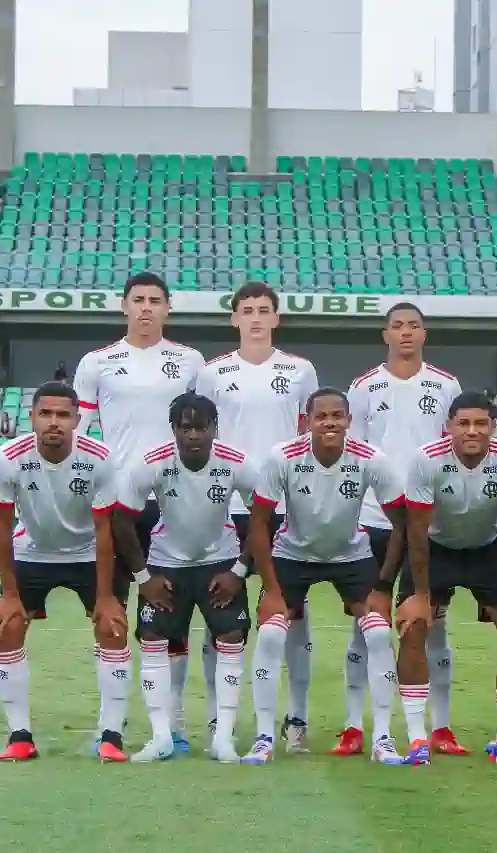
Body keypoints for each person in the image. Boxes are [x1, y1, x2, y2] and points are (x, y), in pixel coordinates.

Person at [73, 271, 206, 754]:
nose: (146, 307)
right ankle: (110, 724)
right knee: (110, 611)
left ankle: (173, 723)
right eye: (138, 300)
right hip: (117, 502)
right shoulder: (98, 363)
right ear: (123, 306)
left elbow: (204, 429)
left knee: (171, 614)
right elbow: (81, 434)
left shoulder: (190, 361)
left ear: (168, 308)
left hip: (174, 502)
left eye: (155, 300)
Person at [242, 388, 407, 765]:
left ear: (349, 420)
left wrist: (383, 585)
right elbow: (260, 522)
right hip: (292, 554)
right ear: (307, 421)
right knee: (270, 634)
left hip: (351, 555)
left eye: (338, 415)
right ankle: (267, 737)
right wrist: (269, 588)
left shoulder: (371, 458)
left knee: (379, 632)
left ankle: (382, 737)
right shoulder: (282, 457)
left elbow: (403, 524)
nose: (330, 422)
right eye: (321, 416)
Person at [193, 281, 318, 754]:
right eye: (247, 310)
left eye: (264, 310)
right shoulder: (213, 373)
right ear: (234, 319)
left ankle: (297, 719)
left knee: (292, 614)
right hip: (225, 508)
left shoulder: (300, 370)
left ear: (277, 317)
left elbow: (308, 434)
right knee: (216, 613)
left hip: (285, 507)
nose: (256, 318)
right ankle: (215, 719)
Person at [336, 302, 464, 757]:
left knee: (432, 624)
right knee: (366, 623)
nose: (405, 333)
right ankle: (353, 726)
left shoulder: (447, 386)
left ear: (424, 334)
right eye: (397, 326)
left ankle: (441, 727)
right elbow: (356, 451)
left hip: (429, 522)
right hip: (375, 517)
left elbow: (457, 449)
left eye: (413, 326)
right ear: (385, 335)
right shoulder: (364, 386)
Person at [0, 382, 131, 762]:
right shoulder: (8, 457)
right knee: (9, 629)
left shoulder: (99, 457)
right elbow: (1, 527)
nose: (54, 422)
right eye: (46, 414)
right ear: (32, 417)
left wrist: (104, 596)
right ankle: (19, 735)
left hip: (88, 553)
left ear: (77, 420)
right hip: (31, 552)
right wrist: (9, 594)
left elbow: (105, 530)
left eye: (63, 415)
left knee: (112, 628)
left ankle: (111, 734)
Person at [112, 393, 256, 763]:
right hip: (165, 566)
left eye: (201, 426)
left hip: (220, 564)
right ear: (174, 429)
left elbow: (264, 517)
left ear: (214, 429)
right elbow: (121, 520)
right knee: (155, 639)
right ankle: (161, 737)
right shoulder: (151, 464)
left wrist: (239, 571)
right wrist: (144, 578)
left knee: (230, 637)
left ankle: (223, 737)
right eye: (185, 427)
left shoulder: (237, 463)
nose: (193, 434)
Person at [397, 391, 497, 766]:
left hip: (486, 548)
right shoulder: (427, 459)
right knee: (413, 627)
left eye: (481, 424)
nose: (472, 431)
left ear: (494, 426)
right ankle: (416, 738)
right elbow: (416, 530)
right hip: (435, 548)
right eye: (464, 423)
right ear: (449, 427)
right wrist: (422, 593)